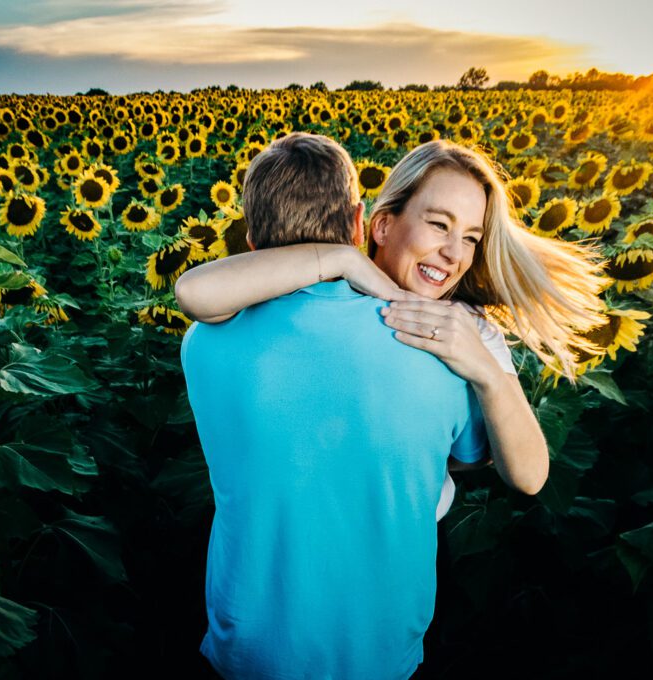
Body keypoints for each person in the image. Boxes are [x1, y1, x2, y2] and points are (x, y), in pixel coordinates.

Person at [180, 132, 493, 679]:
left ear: (251, 240)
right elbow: (470, 456)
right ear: (358, 222)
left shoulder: (204, 343)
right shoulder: (431, 343)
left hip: (251, 642)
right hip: (382, 644)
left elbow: (199, 293)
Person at [177, 139, 610, 520]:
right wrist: (345, 260)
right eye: (439, 224)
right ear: (378, 225)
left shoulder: (467, 329)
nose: (453, 253)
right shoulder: (332, 300)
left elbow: (529, 475)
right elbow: (197, 292)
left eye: (472, 238)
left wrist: (487, 373)